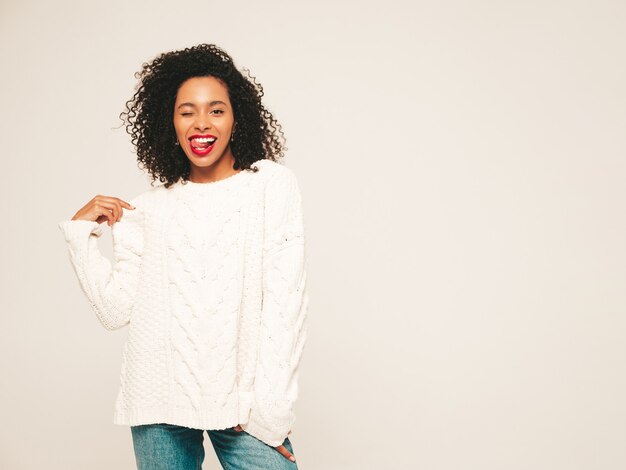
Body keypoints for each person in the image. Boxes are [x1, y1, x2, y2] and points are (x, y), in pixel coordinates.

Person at [57, 43, 310, 469]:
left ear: (237, 117)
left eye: (216, 110)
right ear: (169, 122)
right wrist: (81, 234)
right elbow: (114, 310)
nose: (201, 123)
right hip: (159, 402)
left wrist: (271, 417)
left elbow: (287, 307)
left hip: (245, 408)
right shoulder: (148, 210)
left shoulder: (269, 186)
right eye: (186, 111)